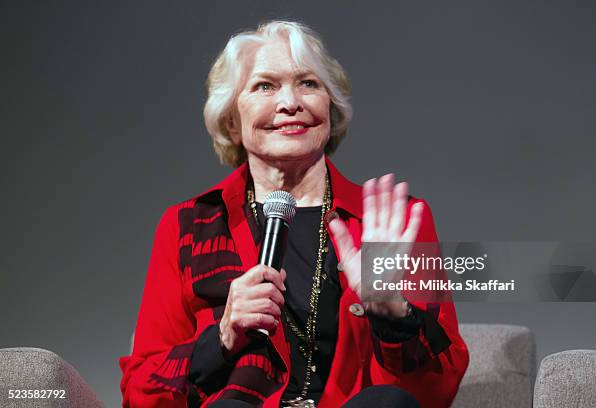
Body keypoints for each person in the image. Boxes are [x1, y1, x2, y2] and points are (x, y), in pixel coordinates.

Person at [119, 20, 468, 408]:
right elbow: (141, 394)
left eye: (308, 84)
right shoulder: (189, 226)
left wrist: (393, 316)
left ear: (330, 109)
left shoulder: (393, 221)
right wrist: (221, 336)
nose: (290, 103)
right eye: (265, 86)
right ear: (231, 121)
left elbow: (441, 387)